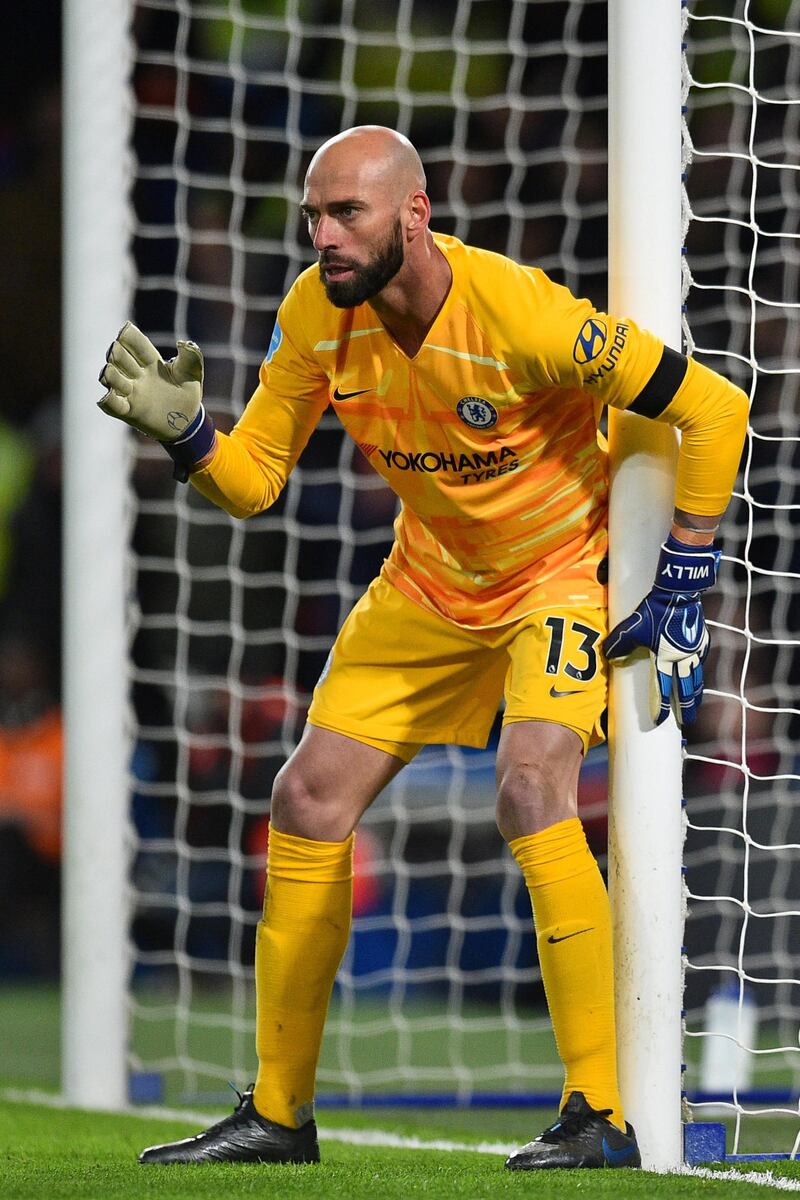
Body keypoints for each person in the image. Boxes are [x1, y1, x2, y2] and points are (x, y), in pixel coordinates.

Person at [98, 125, 748, 1170]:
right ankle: (277, 1114)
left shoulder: (521, 314)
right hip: (429, 581)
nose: (322, 237)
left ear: (414, 212)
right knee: (306, 800)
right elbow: (256, 482)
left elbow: (716, 408)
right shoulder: (316, 314)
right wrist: (189, 438)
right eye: (313, 215)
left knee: (530, 785)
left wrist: (681, 572)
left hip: (554, 576)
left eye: (345, 213)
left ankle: (598, 1112)